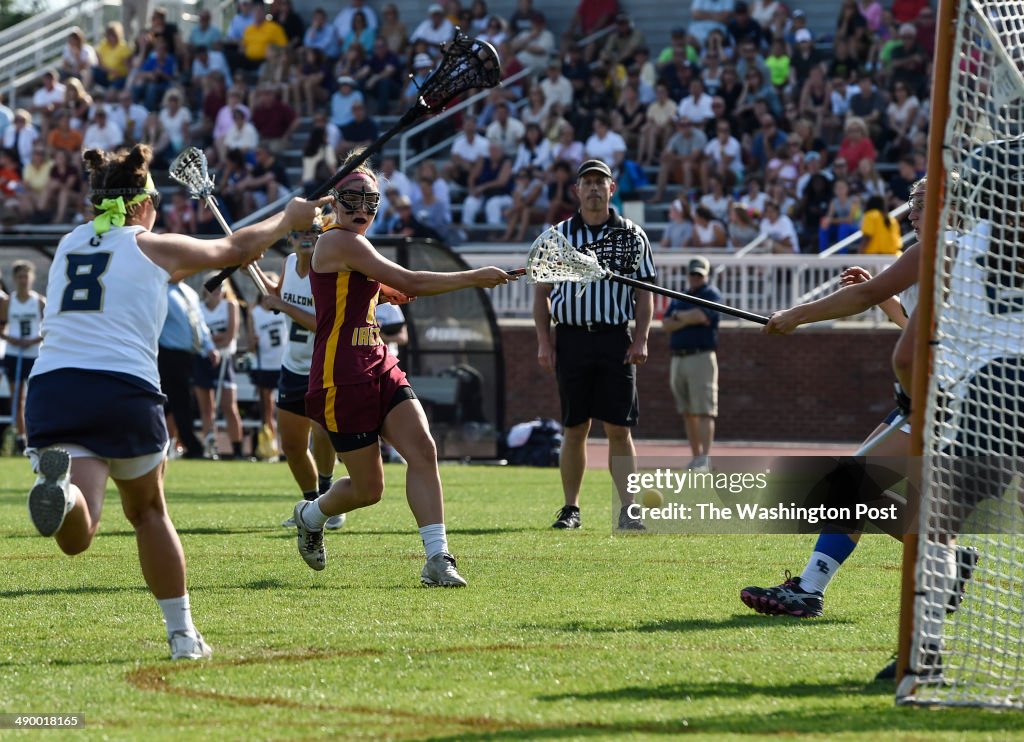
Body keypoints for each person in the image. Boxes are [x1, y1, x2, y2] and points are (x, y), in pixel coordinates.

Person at [23, 143, 329, 660]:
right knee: (147, 513)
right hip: (121, 389)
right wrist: (288, 218)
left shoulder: (69, 244)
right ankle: (183, 636)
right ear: (143, 205)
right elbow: (233, 251)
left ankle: (64, 491)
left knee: (78, 533)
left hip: (53, 387)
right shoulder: (152, 245)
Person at [292, 149, 515, 584]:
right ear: (334, 202)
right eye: (352, 199)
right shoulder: (337, 239)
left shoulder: (354, 246)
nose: (362, 209)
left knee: (423, 449)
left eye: (370, 202)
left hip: (378, 363)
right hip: (341, 378)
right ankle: (311, 516)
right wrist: (473, 277)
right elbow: (411, 280)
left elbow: (355, 289)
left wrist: (379, 293)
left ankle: (437, 558)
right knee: (368, 490)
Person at [533, 159, 655, 531]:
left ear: (612, 189)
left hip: (614, 337)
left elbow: (645, 292)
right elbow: (542, 293)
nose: (594, 189)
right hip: (571, 338)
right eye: (587, 183)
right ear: (577, 190)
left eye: (600, 182)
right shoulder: (560, 236)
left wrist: (641, 338)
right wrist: (544, 341)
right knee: (575, 426)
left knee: (619, 427)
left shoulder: (633, 235)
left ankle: (628, 508)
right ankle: (571, 508)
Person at [253, 225, 342, 530]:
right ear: (290, 238)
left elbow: (324, 323)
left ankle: (330, 496)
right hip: (292, 365)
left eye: (315, 231)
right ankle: (310, 503)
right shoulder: (290, 263)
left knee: (322, 433)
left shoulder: (328, 271)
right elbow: (278, 295)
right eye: (301, 232)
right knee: (291, 445)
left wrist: (282, 305)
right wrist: (251, 268)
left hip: (323, 366)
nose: (308, 237)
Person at [661, 257, 720, 471]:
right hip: (678, 357)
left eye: (699, 274)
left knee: (704, 409)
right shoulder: (680, 297)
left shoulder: (710, 294)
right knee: (687, 411)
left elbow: (702, 316)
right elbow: (666, 324)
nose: (695, 278)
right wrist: (686, 318)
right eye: (693, 274)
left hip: (701, 357)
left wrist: (680, 318)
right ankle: (696, 457)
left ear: (706, 275)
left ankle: (706, 458)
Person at [158, 280, 217, 460]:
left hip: (190, 356)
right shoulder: (160, 290)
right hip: (167, 354)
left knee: (177, 402)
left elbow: (199, 322)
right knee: (177, 402)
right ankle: (189, 445)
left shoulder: (189, 292)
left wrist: (209, 346)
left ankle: (184, 443)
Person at [193, 278, 246, 460]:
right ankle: (210, 447)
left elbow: (230, 336)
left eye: (219, 286)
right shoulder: (198, 308)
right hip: (203, 360)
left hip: (224, 360)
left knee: (229, 406)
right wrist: (211, 341)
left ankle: (237, 450)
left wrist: (211, 341)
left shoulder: (230, 306)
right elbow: (198, 338)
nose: (216, 290)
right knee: (207, 408)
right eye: (212, 287)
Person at [1, 261, 44, 455]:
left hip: (34, 354)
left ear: (32, 278)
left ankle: (39, 435)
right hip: (13, 353)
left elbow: (50, 328)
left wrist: (33, 340)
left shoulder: (39, 302)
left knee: (37, 397)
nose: (23, 280)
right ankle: (21, 439)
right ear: (14, 279)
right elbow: (1, 328)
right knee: (17, 397)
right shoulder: (8, 302)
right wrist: (13, 339)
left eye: (26, 276)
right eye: (19, 277)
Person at [246, 272, 287, 461]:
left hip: (284, 364)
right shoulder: (254, 312)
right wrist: (252, 342)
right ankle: (271, 448)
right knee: (267, 408)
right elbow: (250, 346)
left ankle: (287, 447)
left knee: (287, 409)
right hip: (264, 365)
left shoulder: (284, 307)